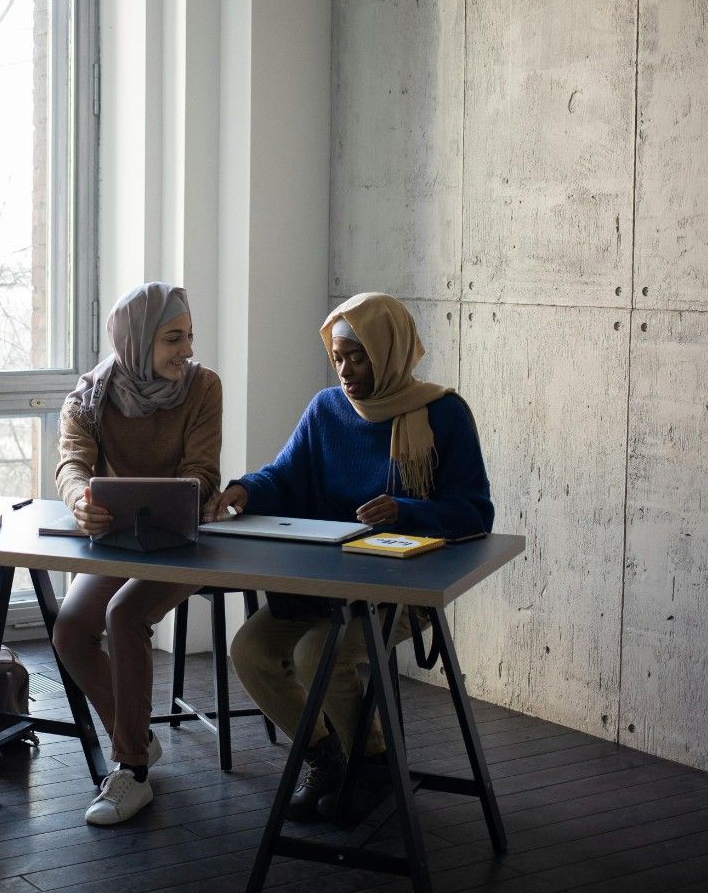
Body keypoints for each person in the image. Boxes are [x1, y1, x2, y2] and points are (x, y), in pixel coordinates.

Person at [206, 292, 493, 821]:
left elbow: (475, 512)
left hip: (397, 591)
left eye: (357, 357)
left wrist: (405, 511)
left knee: (319, 653)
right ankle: (326, 757)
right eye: (337, 357)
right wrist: (246, 490)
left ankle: (375, 764)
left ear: (388, 351)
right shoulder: (327, 410)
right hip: (324, 589)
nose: (345, 370)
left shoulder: (443, 413)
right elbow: (285, 476)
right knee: (249, 650)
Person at [51, 281, 223, 826]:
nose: (188, 350)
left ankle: (131, 771)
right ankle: (140, 738)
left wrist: (178, 498)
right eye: (174, 338)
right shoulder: (90, 396)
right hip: (118, 540)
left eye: (190, 336)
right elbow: (71, 463)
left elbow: (202, 473)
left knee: (124, 614)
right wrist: (80, 498)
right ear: (136, 340)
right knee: (70, 630)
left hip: (184, 542)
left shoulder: (204, 389)